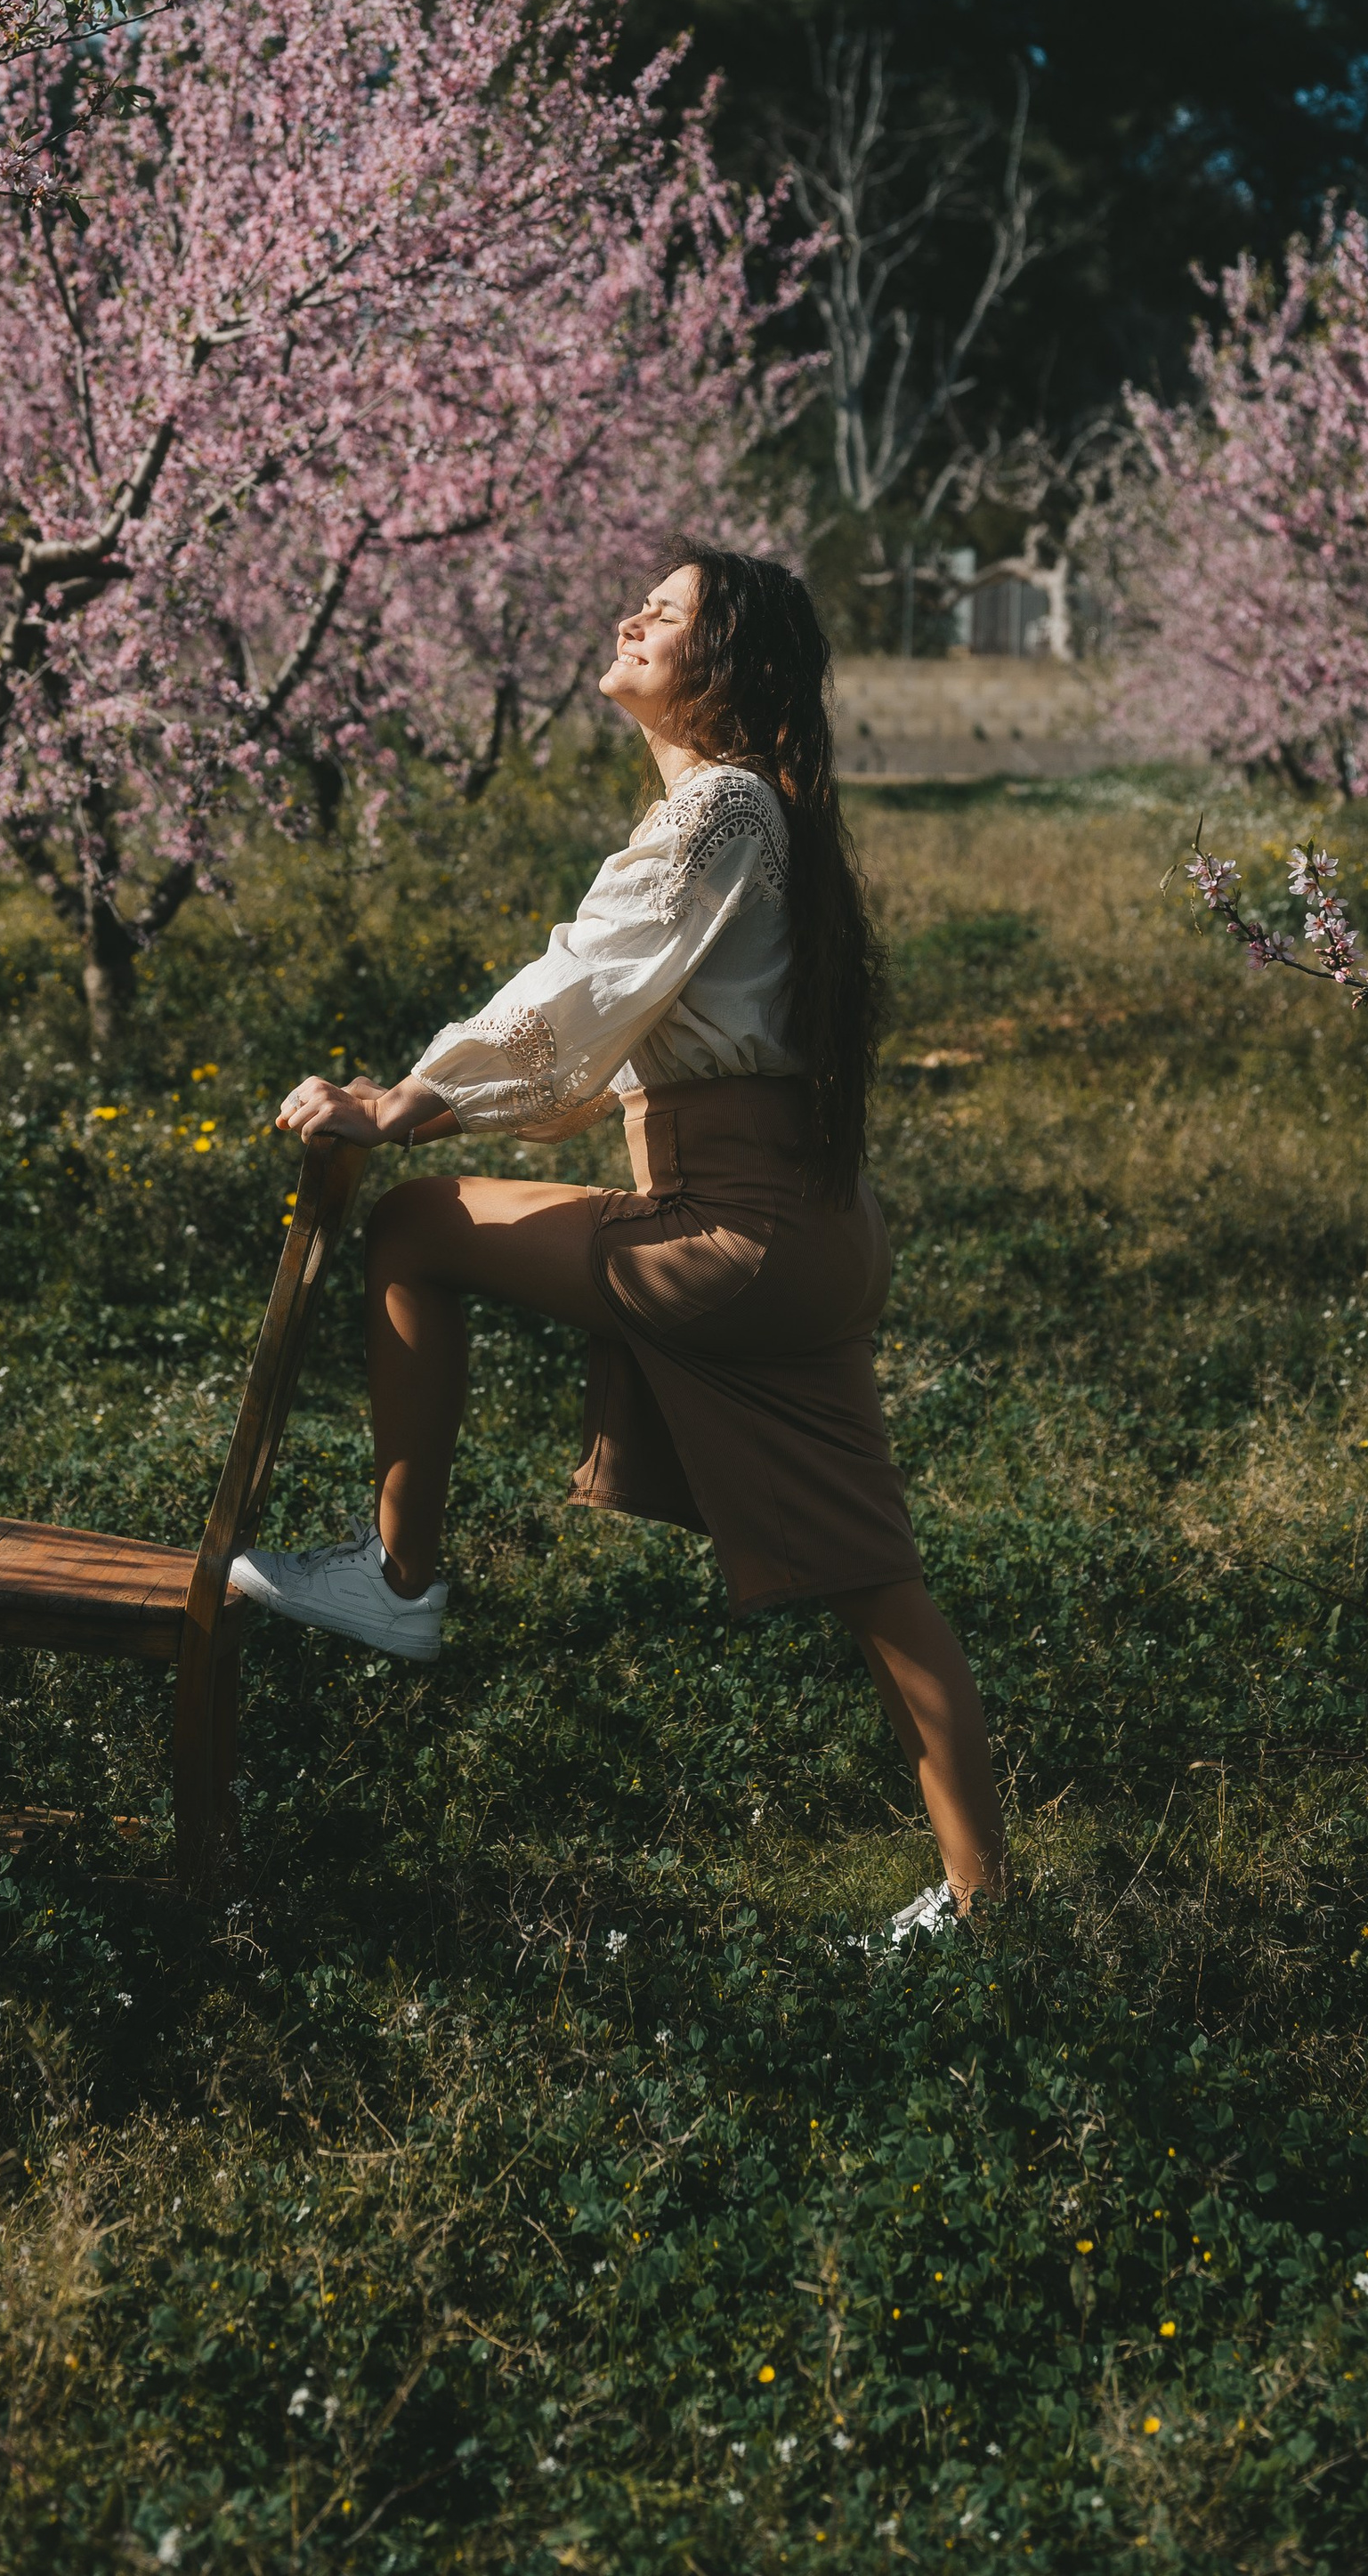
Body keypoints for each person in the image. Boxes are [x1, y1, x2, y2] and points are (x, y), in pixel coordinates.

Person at [236, 547, 1007, 1931]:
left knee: (413, 1228)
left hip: (733, 1231)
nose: (632, 616)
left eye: (670, 610)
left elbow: (587, 982)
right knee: (882, 1586)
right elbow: (606, 1039)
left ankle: (398, 1580)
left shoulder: (720, 809)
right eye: (640, 600)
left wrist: (407, 1101)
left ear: (732, 665)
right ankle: (984, 1901)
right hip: (809, 1233)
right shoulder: (765, 813)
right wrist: (443, 1098)